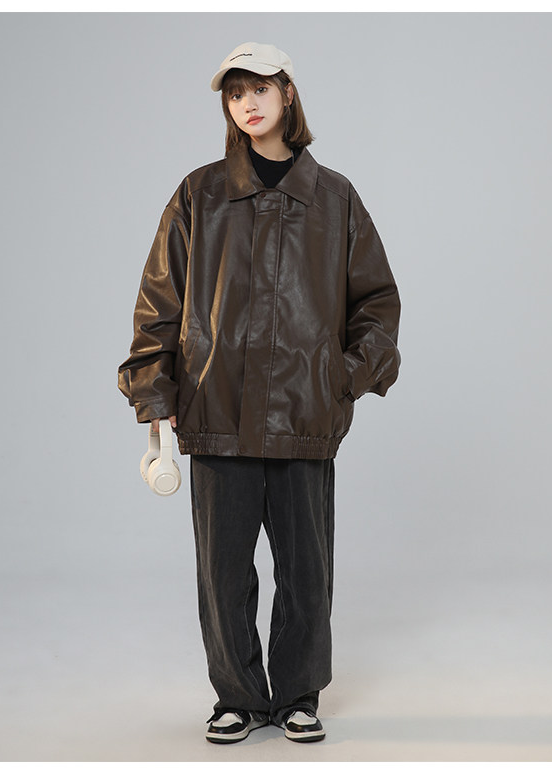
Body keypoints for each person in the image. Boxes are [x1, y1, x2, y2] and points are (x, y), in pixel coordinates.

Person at [118, 41, 401, 744]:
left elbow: (377, 302)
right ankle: (237, 697)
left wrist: (340, 378)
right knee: (223, 570)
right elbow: (159, 299)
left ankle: (298, 693)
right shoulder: (200, 193)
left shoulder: (334, 197)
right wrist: (156, 391)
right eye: (235, 92)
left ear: (288, 96)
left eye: (260, 88)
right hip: (216, 408)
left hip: (305, 414)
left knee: (306, 570)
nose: (248, 103)